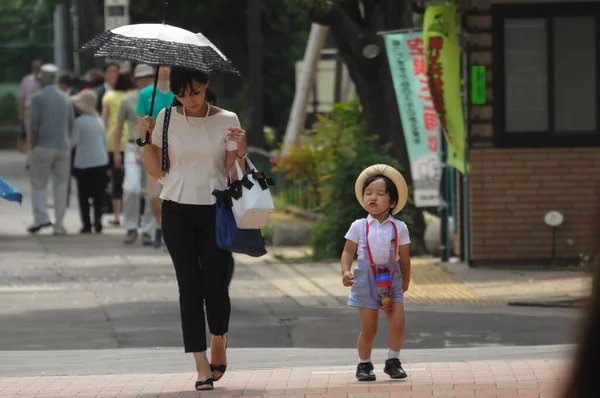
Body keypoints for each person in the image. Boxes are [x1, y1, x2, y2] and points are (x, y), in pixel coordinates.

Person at [138, 66, 247, 391]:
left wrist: (240, 149)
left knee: (216, 283)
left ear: (206, 86)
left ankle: (218, 337)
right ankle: (200, 363)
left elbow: (234, 173)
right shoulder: (167, 117)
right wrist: (145, 138)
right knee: (188, 285)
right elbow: (157, 171)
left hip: (215, 208)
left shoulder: (228, 119)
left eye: (195, 93)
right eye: (182, 95)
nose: (190, 101)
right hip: (176, 207)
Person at [341, 164, 411, 382]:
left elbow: (405, 258)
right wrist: (345, 270)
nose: (373, 197)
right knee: (369, 328)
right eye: (368, 193)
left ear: (391, 202)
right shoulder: (358, 226)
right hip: (365, 281)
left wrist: (406, 281)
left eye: (380, 194)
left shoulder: (399, 227)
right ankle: (364, 364)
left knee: (398, 322)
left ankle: (393, 361)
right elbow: (347, 251)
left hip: (391, 281)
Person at [27, 64, 75, 235]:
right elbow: (71, 125)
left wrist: (31, 149)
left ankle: (41, 217)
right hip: (63, 147)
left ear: (42, 78)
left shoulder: (37, 98)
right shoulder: (66, 99)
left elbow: (34, 127)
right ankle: (59, 224)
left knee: (39, 184)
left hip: (43, 146)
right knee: (61, 186)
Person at [113, 64, 156, 245]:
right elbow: (119, 126)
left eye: (148, 77)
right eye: (141, 78)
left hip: (154, 147)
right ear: (135, 80)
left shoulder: (159, 98)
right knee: (131, 188)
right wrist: (116, 151)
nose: (144, 81)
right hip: (132, 146)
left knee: (151, 191)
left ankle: (148, 229)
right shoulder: (128, 100)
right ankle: (131, 226)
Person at [135, 66, 174, 248]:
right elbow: (141, 122)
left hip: (175, 149)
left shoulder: (179, 92)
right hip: (153, 148)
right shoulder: (146, 94)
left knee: (171, 195)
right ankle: (158, 226)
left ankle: (168, 232)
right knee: (153, 195)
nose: (165, 69)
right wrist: (139, 146)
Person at [70, 90, 109, 233]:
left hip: (83, 163)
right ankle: (98, 222)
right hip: (100, 161)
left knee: (84, 197)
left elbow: (72, 142)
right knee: (99, 195)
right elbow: (104, 141)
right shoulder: (99, 121)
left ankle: (86, 225)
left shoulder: (78, 122)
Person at [102, 72, 134, 226]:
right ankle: (132, 213)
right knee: (131, 179)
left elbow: (104, 119)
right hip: (130, 139)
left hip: (113, 140)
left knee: (116, 179)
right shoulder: (133, 96)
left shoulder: (109, 96)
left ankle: (116, 214)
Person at [17, 59, 43, 154]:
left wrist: (41, 81)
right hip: (30, 109)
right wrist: (21, 114)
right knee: (30, 134)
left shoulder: (45, 80)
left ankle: (39, 152)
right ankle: (31, 155)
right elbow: (22, 98)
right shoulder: (27, 79)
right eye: (36, 68)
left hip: (42, 109)